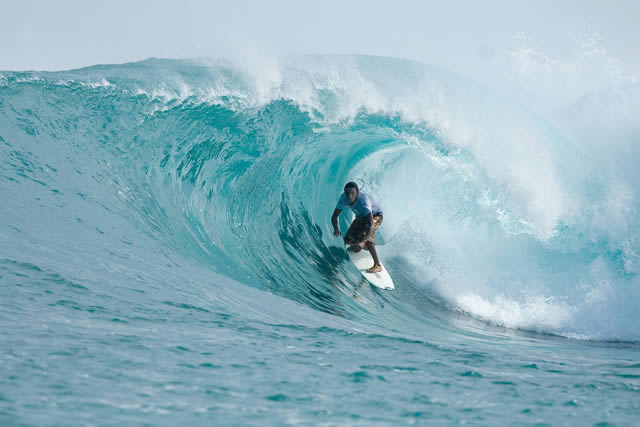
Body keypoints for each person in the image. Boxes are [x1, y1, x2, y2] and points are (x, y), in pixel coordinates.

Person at [331, 182, 384, 273]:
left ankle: (377, 265)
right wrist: (336, 229)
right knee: (348, 240)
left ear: (357, 192)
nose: (350, 196)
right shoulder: (343, 198)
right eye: (347, 193)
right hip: (361, 217)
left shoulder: (364, 202)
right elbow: (334, 216)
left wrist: (363, 241)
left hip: (375, 215)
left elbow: (371, 224)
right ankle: (365, 247)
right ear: (344, 193)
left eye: (352, 193)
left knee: (369, 239)